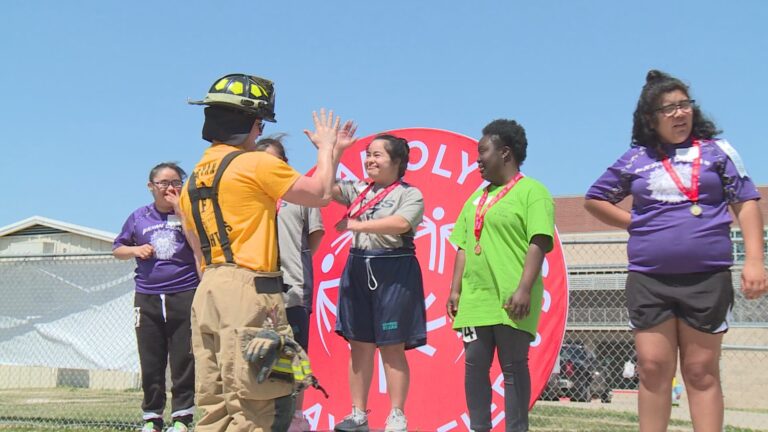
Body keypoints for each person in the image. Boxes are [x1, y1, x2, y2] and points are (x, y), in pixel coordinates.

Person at [584, 69, 767, 432]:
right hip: (650, 279)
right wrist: (634, 223)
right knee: (652, 368)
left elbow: (745, 202)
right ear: (650, 119)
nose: (679, 114)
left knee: (700, 371)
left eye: (685, 105)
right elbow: (594, 199)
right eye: (668, 109)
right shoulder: (636, 158)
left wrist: (754, 260)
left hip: (707, 278)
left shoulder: (718, 152)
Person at [178, 73, 356, 432]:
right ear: (253, 124)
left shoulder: (193, 179)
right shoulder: (255, 163)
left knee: (214, 406)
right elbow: (321, 192)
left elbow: (192, 239)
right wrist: (327, 149)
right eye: (259, 125)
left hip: (208, 289)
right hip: (249, 289)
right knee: (254, 405)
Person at [446, 119, 554, 432]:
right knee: (474, 368)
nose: (477, 159)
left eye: (483, 152)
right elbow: (463, 246)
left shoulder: (533, 192)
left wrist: (523, 289)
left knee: (513, 367)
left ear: (505, 153)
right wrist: (455, 291)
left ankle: (516, 428)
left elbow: (539, 241)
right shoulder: (475, 199)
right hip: (476, 301)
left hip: (512, 298)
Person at [331, 134, 427, 432]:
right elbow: (324, 188)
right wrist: (334, 152)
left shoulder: (410, 195)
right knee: (358, 345)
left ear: (397, 162)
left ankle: (396, 414)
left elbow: (401, 224)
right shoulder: (359, 190)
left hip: (394, 269)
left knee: (391, 346)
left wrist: (357, 225)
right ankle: (358, 414)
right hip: (358, 266)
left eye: (377, 155)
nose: (370, 160)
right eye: (368, 155)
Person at [113, 162, 199, 432]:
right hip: (148, 296)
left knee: (183, 357)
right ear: (151, 186)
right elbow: (118, 248)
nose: (169, 187)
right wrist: (136, 250)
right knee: (151, 358)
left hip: (184, 291)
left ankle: (183, 417)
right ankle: (152, 417)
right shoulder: (139, 217)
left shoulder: (189, 213)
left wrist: (180, 210)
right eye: (163, 182)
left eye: (175, 182)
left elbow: (198, 241)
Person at [251, 135, 325, 432]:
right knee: (259, 354)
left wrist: (295, 261)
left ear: (285, 164)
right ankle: (262, 416)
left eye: (275, 161)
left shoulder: (299, 192)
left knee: (294, 355)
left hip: (293, 287)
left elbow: (315, 236)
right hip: (255, 287)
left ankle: (296, 416)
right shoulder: (249, 191)